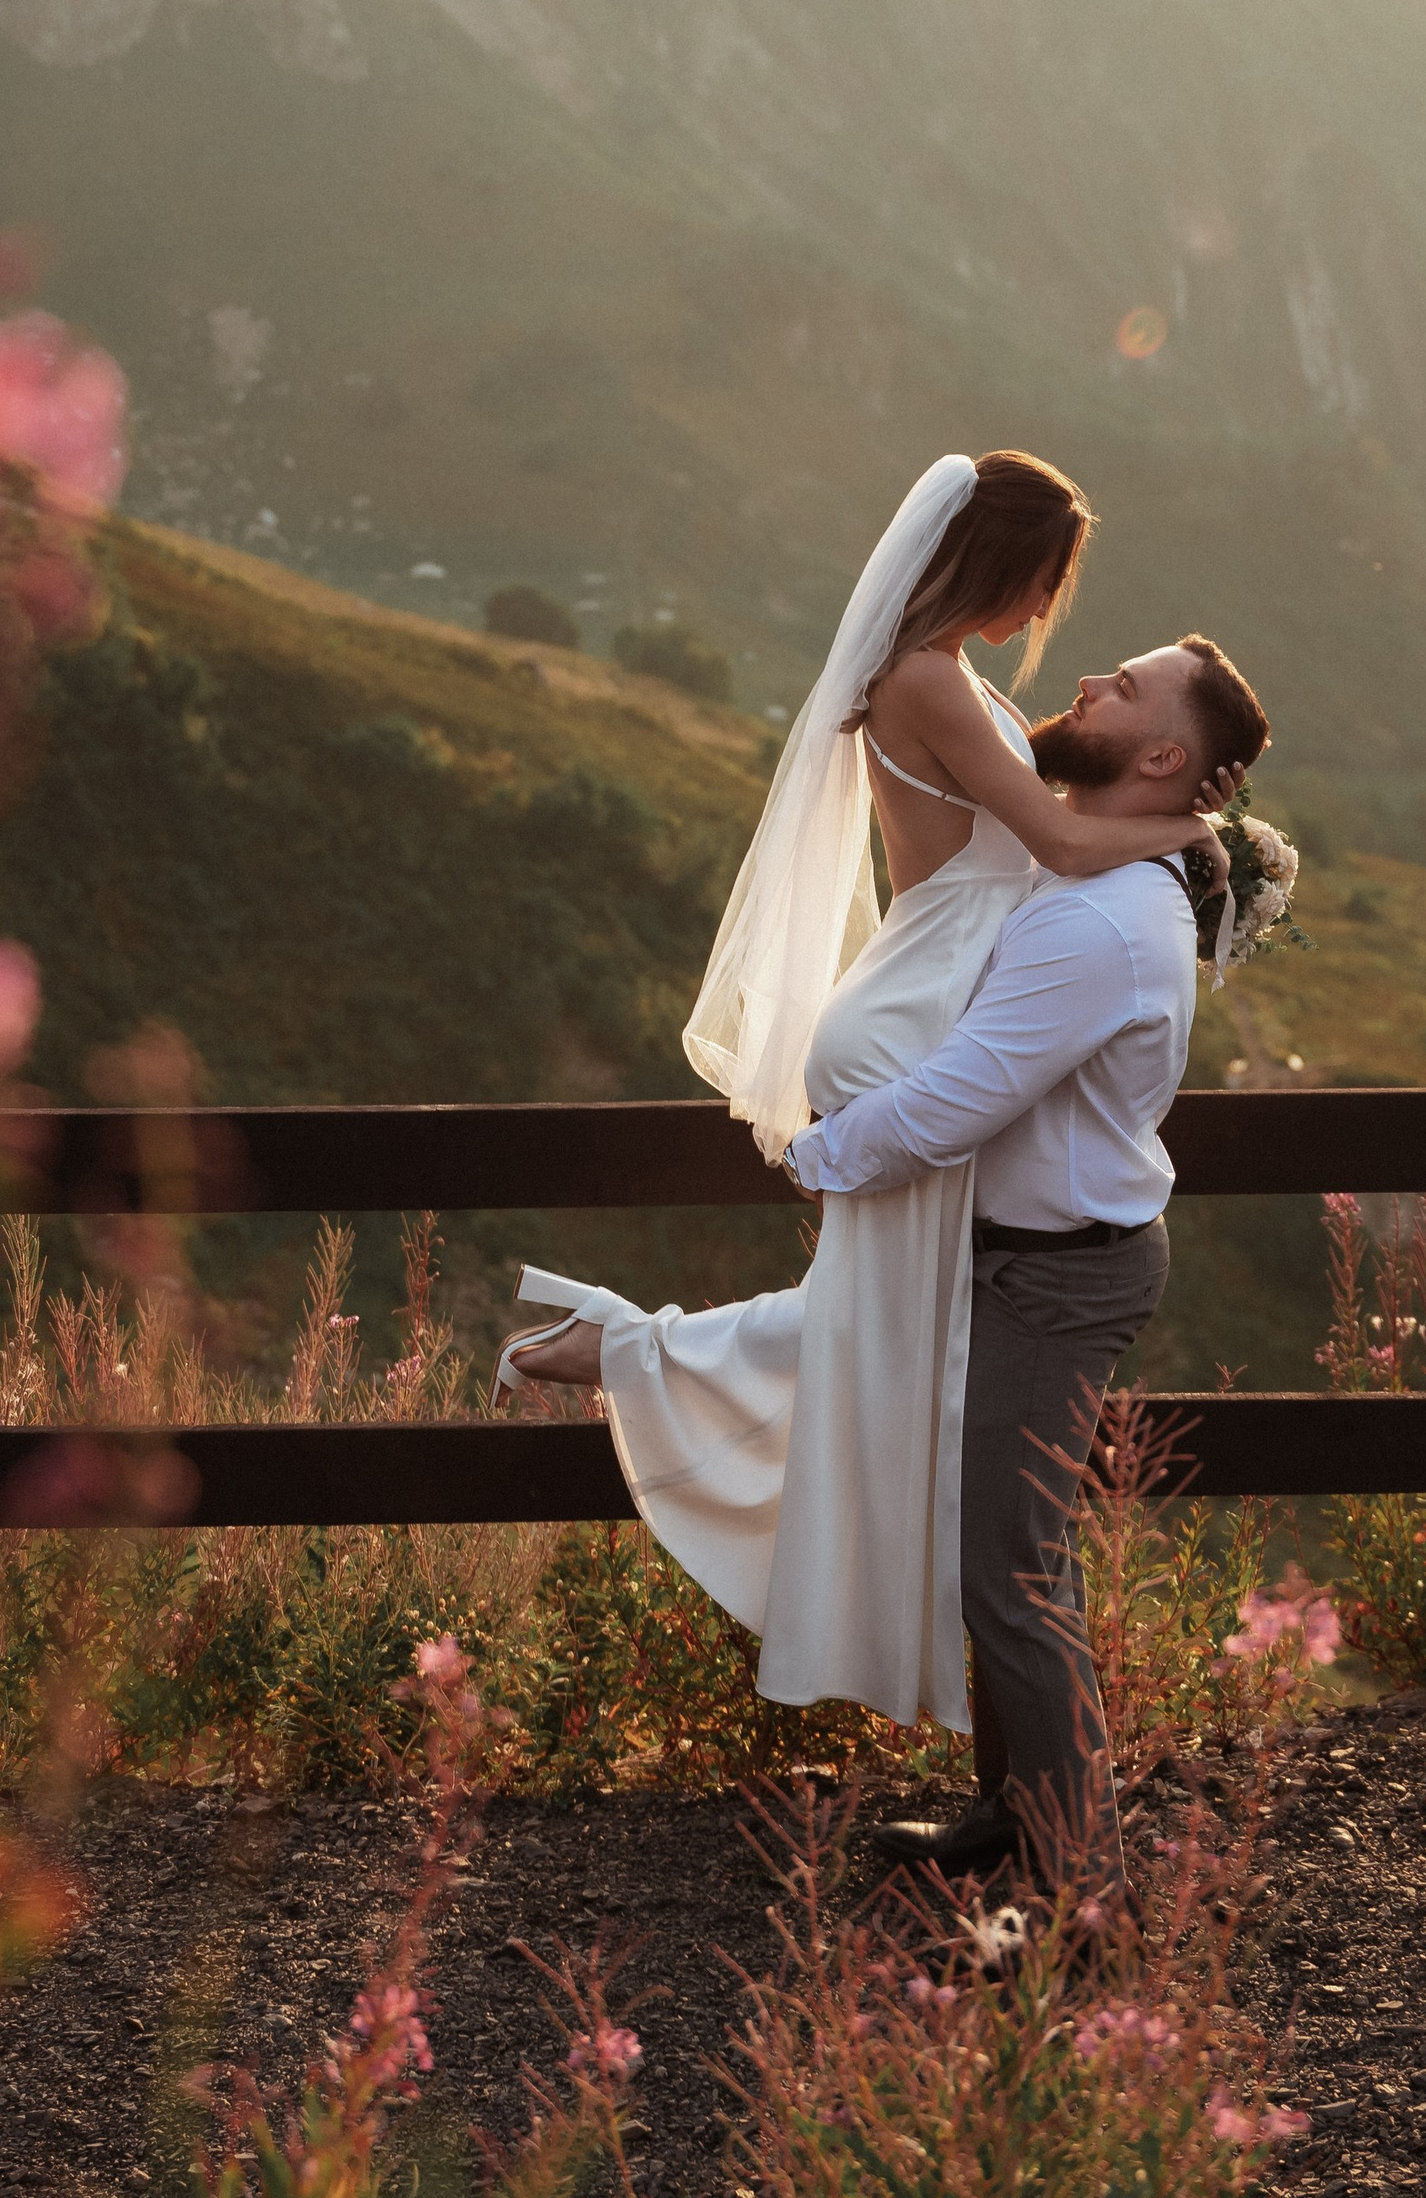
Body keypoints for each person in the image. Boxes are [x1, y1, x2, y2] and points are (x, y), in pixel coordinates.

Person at [496, 452, 1245, 1735]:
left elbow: (1056, 839)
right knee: (877, 1328)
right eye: (1038, 589)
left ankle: (618, 1346)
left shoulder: (937, 678)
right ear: (996, 565)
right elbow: (1063, 844)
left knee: (877, 1321)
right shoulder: (925, 678)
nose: (1036, 625)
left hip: (937, 985)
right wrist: (1200, 836)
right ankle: (627, 1354)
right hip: (921, 1003)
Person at [793, 630, 1272, 1904]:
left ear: (1164, 755)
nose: (1086, 687)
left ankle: (1081, 1893)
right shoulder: (1090, 874)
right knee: (1011, 1559)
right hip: (1022, 1258)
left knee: (1006, 1575)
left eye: (1118, 688)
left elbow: (958, 1101)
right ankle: (1013, 1814)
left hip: (1057, 1276)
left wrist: (814, 1152)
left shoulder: (1104, 924)